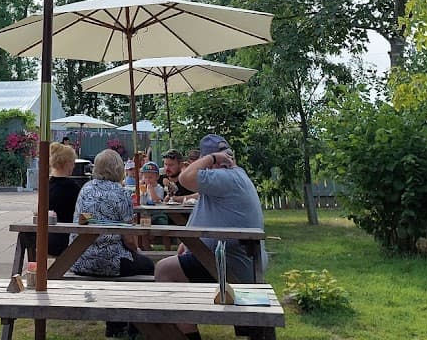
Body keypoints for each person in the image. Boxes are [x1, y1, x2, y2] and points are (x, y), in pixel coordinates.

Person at [154, 134, 268, 339]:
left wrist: (213, 158)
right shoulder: (230, 179)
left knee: (164, 270)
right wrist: (185, 241)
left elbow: (185, 178)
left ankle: (187, 336)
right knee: (174, 266)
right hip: (236, 260)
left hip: (232, 265)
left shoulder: (225, 177)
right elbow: (202, 213)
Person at [71, 149, 154, 336]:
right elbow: (129, 239)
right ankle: (135, 326)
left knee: (128, 263)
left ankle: (115, 325)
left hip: (78, 258)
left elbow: (82, 220)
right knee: (148, 266)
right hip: (110, 262)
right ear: (119, 169)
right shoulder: (121, 193)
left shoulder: (86, 189)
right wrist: (138, 251)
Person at [47, 142, 81, 255]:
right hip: (68, 241)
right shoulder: (72, 187)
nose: (74, 166)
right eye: (72, 163)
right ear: (66, 164)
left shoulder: (46, 185)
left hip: (47, 238)